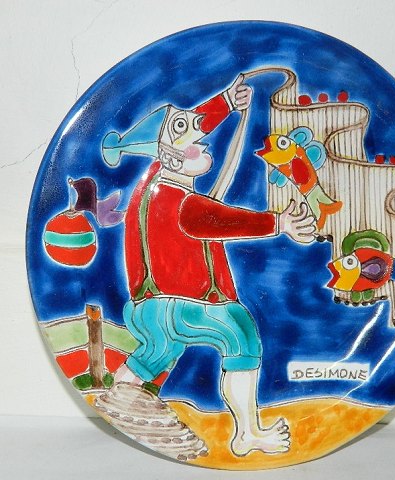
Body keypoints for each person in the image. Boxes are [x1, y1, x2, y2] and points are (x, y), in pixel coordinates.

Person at [102, 75, 316, 456]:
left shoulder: (151, 186)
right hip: (180, 306)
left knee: (159, 351)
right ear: (171, 157)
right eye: (195, 144)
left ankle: (121, 391)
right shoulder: (184, 204)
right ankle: (247, 433)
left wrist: (227, 101)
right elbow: (225, 220)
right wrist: (280, 223)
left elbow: (191, 125)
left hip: (145, 309)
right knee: (240, 331)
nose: (205, 143)